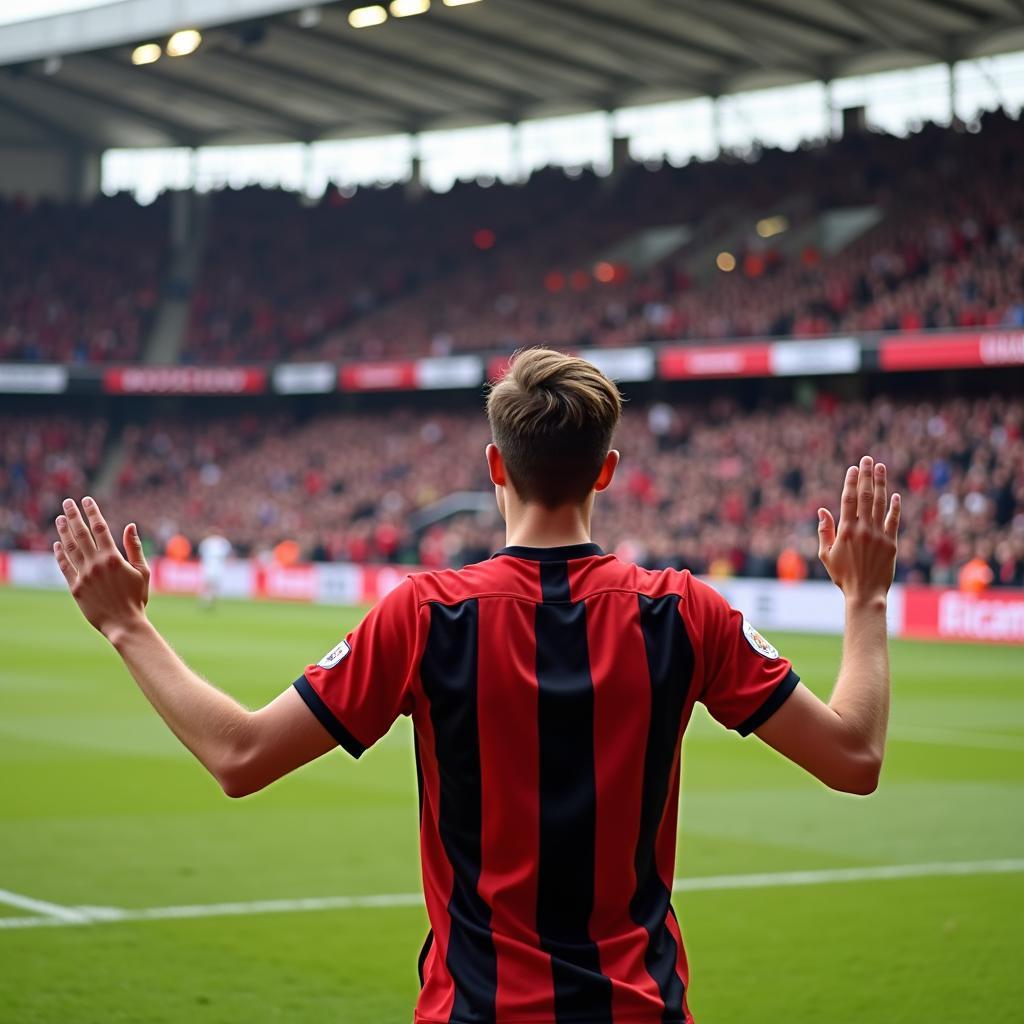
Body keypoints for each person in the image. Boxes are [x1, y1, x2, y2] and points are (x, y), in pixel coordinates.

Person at [52, 348, 900, 1023]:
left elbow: (239, 755)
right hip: (637, 1009)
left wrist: (128, 626)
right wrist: (863, 598)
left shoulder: (428, 615)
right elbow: (855, 756)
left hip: (475, 1009)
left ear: (496, 465)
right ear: (605, 471)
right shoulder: (683, 612)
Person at [197, 532, 232, 608]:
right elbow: (202, 553)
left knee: (216, 584)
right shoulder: (206, 542)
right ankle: (204, 599)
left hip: (219, 565)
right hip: (209, 564)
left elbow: (227, 553)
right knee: (207, 583)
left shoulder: (223, 542)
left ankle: (211, 600)